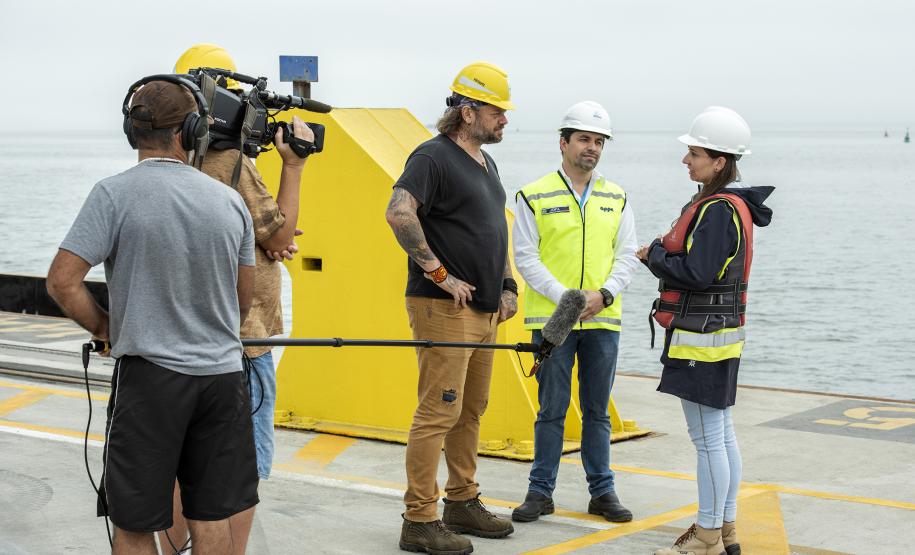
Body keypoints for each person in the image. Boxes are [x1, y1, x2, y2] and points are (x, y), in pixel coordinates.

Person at [46, 78, 259, 555]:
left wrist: (106, 327)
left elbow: (62, 281)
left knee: (135, 522)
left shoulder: (113, 194)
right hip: (222, 380)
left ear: (132, 130)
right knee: (213, 517)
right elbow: (243, 303)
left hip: (150, 382)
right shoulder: (230, 202)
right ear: (193, 130)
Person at [161, 42, 314, 555]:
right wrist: (293, 167)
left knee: (178, 467)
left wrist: (271, 238)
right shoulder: (229, 161)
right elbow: (277, 233)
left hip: (180, 337)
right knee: (239, 469)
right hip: (242, 341)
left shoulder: (169, 161)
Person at [384, 61, 518, 555]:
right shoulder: (432, 157)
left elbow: (494, 229)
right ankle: (420, 519)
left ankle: (462, 500)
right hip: (444, 309)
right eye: (496, 110)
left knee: (470, 410)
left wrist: (507, 285)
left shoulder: (486, 163)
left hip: (485, 309)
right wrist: (439, 274)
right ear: (467, 112)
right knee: (437, 412)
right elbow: (399, 212)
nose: (504, 119)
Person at [637, 106, 774, 555]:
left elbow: (696, 273)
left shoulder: (716, 210)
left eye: (694, 153)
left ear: (719, 162)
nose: (686, 160)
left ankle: (707, 534)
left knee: (708, 440)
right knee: (721, 434)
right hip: (720, 337)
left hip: (701, 340)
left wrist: (654, 255)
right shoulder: (734, 206)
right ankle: (725, 528)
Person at [510, 101, 639, 524]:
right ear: (563, 142)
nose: (593, 148)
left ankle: (602, 492)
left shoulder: (617, 197)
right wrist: (568, 299)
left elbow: (627, 256)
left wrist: (604, 294)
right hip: (552, 322)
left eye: (599, 141)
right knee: (551, 408)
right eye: (584, 139)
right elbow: (526, 257)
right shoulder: (534, 195)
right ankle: (540, 492)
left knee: (597, 411)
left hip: (603, 318)